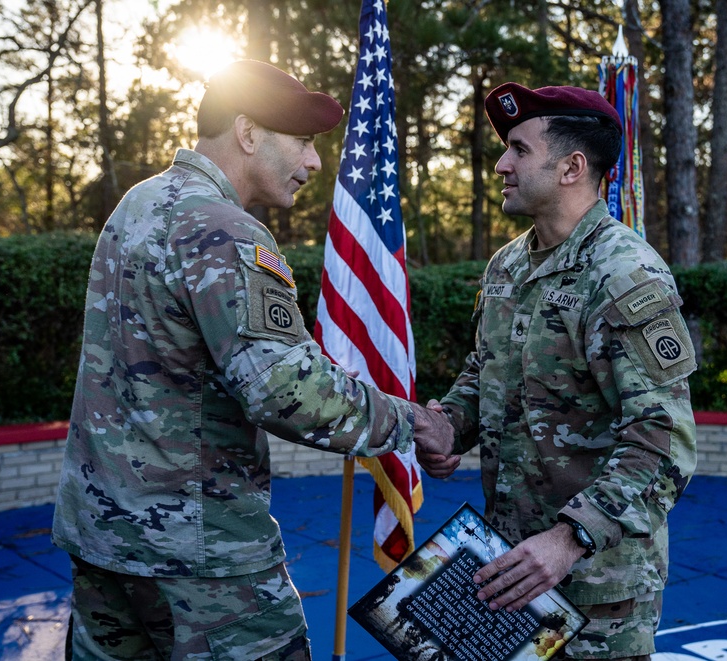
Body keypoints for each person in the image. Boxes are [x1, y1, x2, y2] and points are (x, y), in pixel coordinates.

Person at [52, 60, 453, 661]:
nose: (315, 163)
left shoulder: (139, 202)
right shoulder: (222, 228)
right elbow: (284, 388)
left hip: (104, 533)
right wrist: (411, 422)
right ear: (247, 133)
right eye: (304, 142)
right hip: (198, 551)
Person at [417, 83, 697, 660]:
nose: (501, 164)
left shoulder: (624, 274)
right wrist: (451, 424)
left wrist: (570, 538)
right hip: (509, 563)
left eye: (519, 149)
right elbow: (486, 370)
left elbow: (664, 442)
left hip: (597, 587)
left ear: (572, 167)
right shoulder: (508, 263)